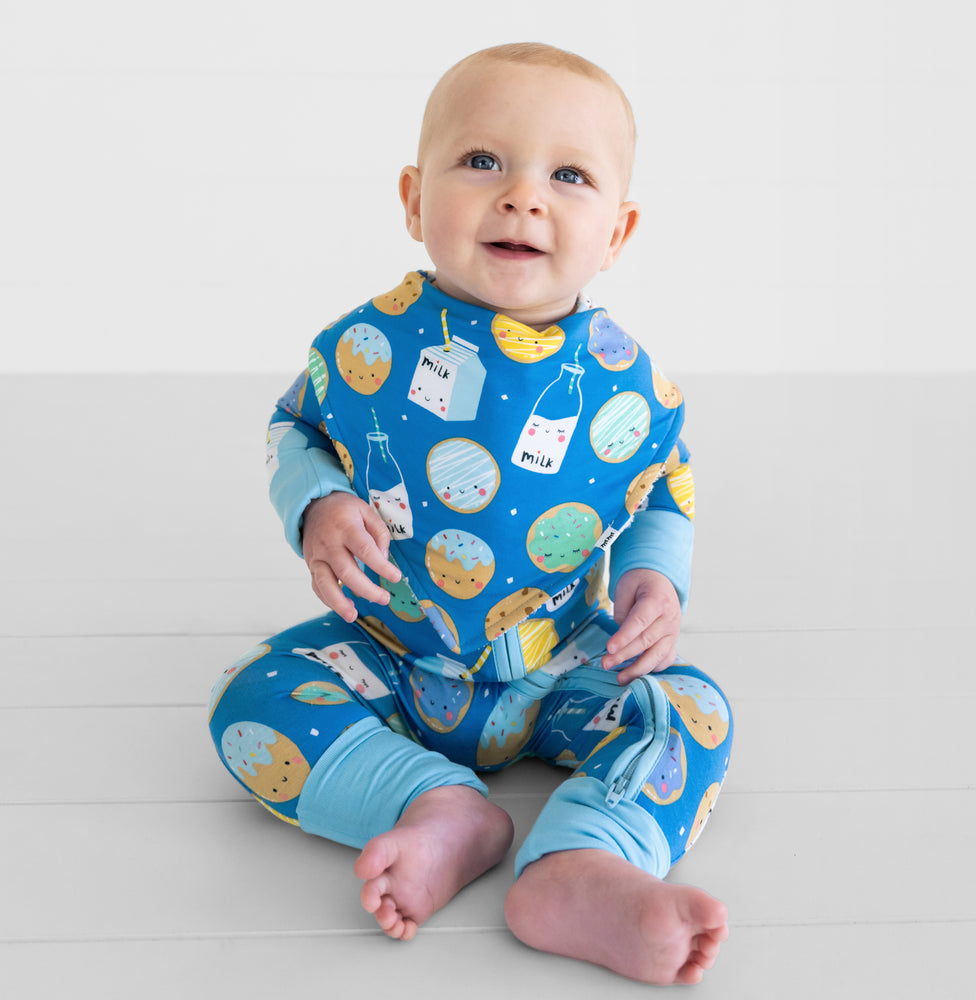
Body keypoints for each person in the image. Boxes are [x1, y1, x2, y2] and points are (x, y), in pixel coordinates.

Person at [209, 42, 732, 986]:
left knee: (692, 710)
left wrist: (658, 577)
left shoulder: (630, 383)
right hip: (394, 656)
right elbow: (296, 428)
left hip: (564, 661)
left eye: (568, 176)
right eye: (483, 161)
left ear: (617, 230)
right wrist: (318, 501)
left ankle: (584, 859)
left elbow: (665, 485)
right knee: (250, 701)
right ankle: (436, 806)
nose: (522, 197)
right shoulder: (366, 343)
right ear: (414, 199)